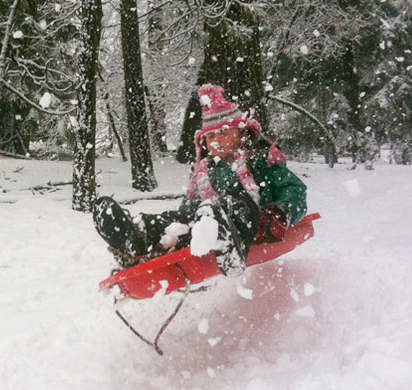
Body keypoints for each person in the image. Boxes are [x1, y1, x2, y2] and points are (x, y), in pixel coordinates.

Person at [93, 84, 307, 276]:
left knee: (231, 205)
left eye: (224, 133)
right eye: (211, 136)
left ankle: (230, 250)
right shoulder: (204, 171)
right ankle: (137, 237)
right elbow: (188, 209)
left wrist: (280, 212)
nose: (217, 141)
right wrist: (177, 223)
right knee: (179, 220)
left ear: (243, 134)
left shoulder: (261, 160)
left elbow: (294, 189)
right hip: (204, 224)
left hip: (253, 221)